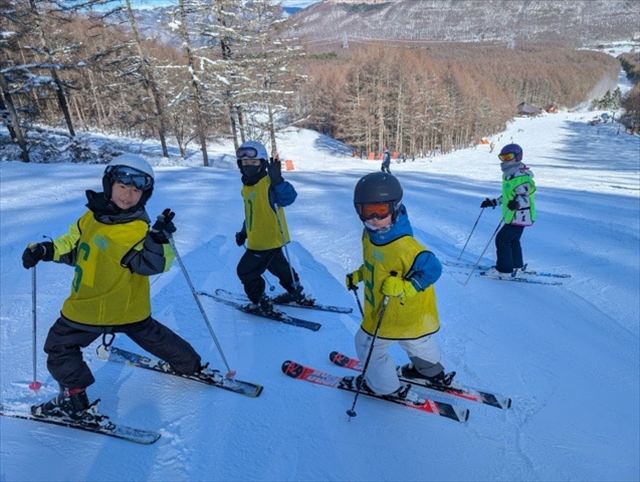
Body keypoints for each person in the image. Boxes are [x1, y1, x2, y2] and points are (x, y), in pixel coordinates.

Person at [21, 154, 203, 421]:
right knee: (153, 334)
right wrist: (47, 250)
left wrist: (158, 240)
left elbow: (151, 265)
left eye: (136, 190)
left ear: (145, 194)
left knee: (59, 346)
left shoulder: (137, 230)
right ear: (109, 185)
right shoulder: (92, 217)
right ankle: (190, 364)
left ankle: (74, 399)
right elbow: (73, 246)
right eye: (122, 186)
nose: (128, 195)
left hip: (88, 309)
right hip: (130, 309)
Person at [345, 172, 450, 398]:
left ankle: (384, 387)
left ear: (395, 207)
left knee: (366, 344)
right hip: (414, 315)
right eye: (367, 210)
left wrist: (405, 287)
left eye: (381, 211)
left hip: (393, 311)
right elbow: (376, 266)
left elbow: (433, 269)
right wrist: (359, 275)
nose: (374, 218)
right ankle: (431, 372)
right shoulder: (370, 235)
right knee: (415, 340)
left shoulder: (405, 245)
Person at [234, 140, 312, 314]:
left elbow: (288, 198)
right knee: (277, 266)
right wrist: (244, 231)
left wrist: (279, 181)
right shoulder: (247, 186)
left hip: (266, 240)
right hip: (265, 239)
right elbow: (252, 212)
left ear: (262, 163)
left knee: (245, 271)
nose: (249, 166)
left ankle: (260, 301)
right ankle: (295, 290)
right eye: (245, 163)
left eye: (253, 163)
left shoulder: (270, 184)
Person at [480, 143, 536, 278]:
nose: (506, 160)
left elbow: (524, 198)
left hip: (519, 216)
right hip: (515, 216)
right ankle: (517, 266)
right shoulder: (510, 176)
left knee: (502, 239)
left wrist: (516, 204)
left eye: (509, 156)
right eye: (503, 157)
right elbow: (508, 196)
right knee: (513, 240)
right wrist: (494, 202)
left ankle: (504, 270)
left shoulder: (521, 177)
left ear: (517, 157)